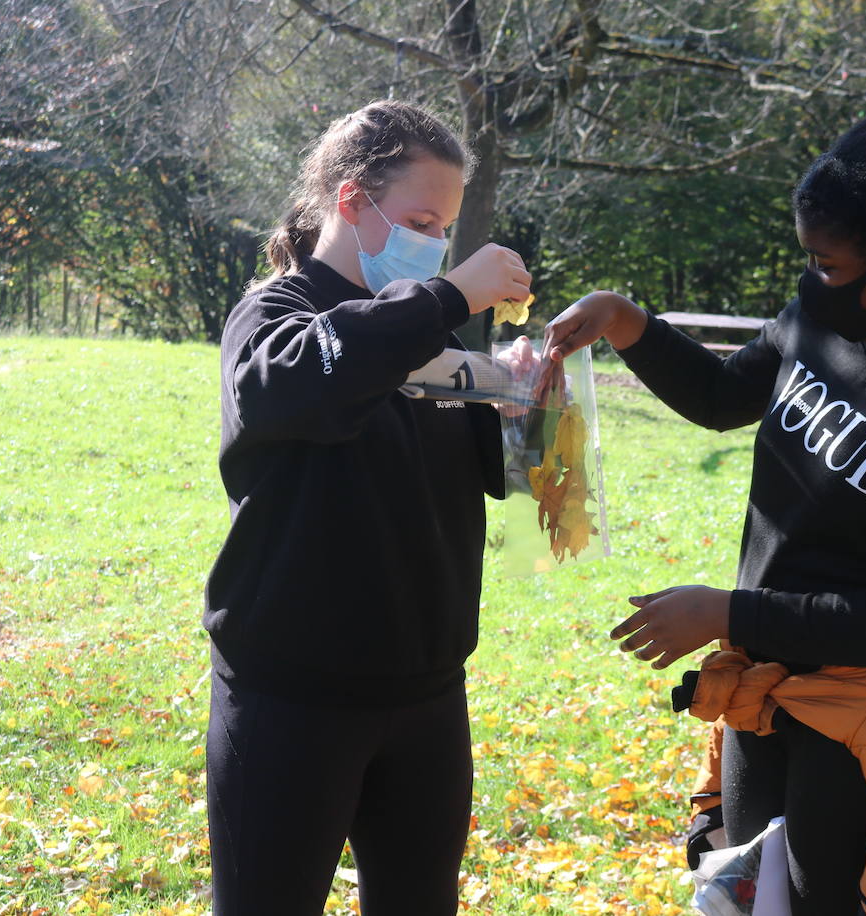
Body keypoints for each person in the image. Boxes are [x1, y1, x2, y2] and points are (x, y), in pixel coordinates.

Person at [544, 111, 866, 914]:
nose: (811, 279)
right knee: (747, 895)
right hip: (766, 686)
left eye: (826, 261)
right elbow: (720, 397)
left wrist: (728, 610)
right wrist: (622, 317)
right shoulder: (821, 319)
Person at [203, 100, 532, 916]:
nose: (433, 243)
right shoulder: (272, 316)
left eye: (444, 228)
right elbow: (310, 379)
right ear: (351, 201)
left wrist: (525, 402)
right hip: (290, 697)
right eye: (421, 219)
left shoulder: (433, 338)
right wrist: (451, 295)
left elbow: (485, 479)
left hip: (425, 692)